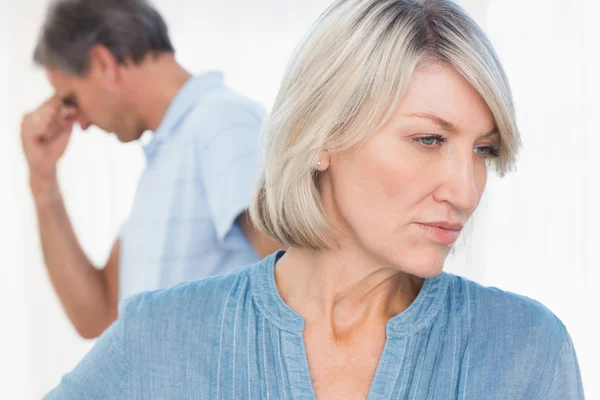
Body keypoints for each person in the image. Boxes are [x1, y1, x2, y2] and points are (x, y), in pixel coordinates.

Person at [45, 0, 584, 398]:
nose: (466, 191)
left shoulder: (528, 351)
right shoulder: (160, 336)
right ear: (322, 136)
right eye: (429, 140)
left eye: (484, 151)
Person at [21, 0, 279, 339]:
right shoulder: (167, 154)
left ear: (104, 63)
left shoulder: (221, 122)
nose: (79, 122)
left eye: (71, 99)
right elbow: (96, 316)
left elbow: (303, 279)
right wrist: (42, 178)